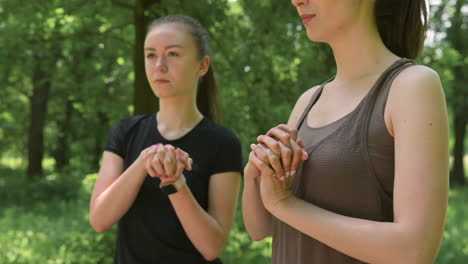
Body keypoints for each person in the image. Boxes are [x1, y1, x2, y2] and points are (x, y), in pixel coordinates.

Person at [242, 1, 449, 263]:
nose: (296, 0)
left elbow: (414, 252)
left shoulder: (412, 86)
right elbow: (260, 229)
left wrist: (284, 203)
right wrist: (254, 175)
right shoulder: (308, 101)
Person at [89, 14, 242, 264]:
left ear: (202, 66)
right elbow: (99, 219)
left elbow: (212, 247)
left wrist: (175, 182)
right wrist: (142, 163)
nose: (159, 65)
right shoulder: (125, 132)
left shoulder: (223, 143)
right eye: (151, 55)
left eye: (173, 54)